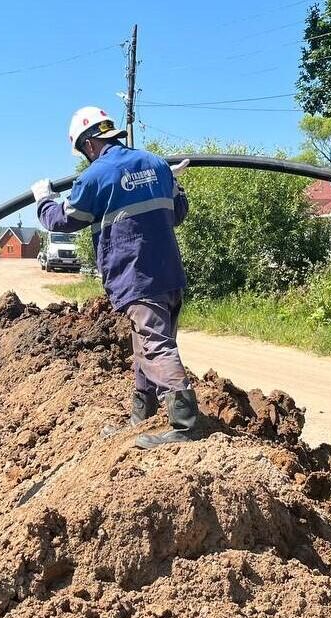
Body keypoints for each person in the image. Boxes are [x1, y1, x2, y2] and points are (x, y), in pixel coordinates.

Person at [31, 106, 197, 450]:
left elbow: (64, 220)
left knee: (154, 344)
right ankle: (140, 418)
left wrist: (44, 200)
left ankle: (184, 424)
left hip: (136, 276)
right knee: (145, 346)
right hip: (169, 274)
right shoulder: (156, 164)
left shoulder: (95, 175)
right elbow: (178, 212)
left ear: (88, 144)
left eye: (82, 150)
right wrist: (172, 182)